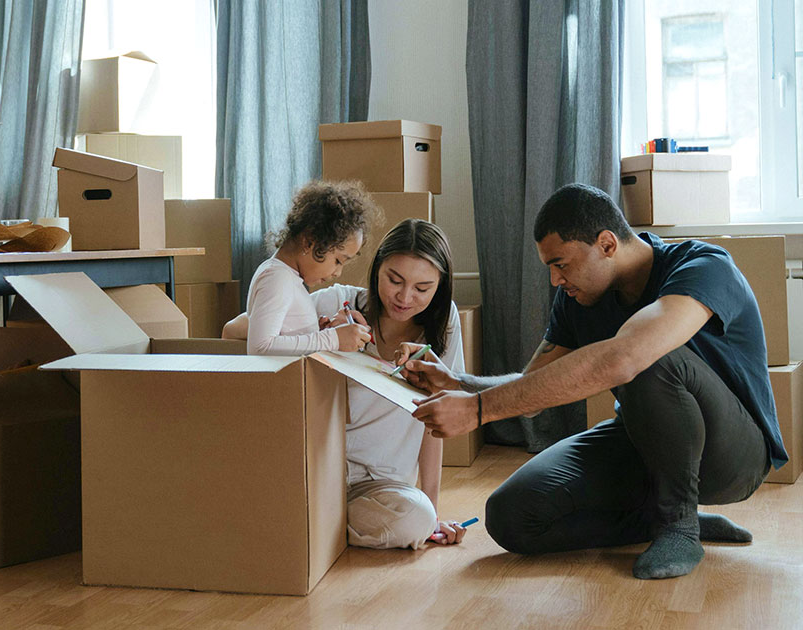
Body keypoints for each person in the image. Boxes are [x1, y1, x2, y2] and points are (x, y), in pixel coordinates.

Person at [403, 183, 786, 579]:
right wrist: (460, 384)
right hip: (644, 442)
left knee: (647, 355)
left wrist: (478, 411)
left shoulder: (703, 266)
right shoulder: (577, 298)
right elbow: (533, 388)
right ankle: (660, 518)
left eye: (561, 264)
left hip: (734, 456)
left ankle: (679, 526)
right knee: (511, 516)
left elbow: (628, 357)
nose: (554, 280)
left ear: (606, 244)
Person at [228, 218, 471, 549]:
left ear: (440, 287)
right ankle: (313, 521)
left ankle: (311, 523)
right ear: (376, 269)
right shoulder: (338, 302)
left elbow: (435, 421)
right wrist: (323, 333)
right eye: (394, 280)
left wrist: (433, 511)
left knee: (417, 519)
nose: (404, 297)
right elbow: (235, 330)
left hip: (380, 486)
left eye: (422, 289)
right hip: (316, 471)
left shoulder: (445, 326)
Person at [243, 180, 376, 355]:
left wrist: (317, 333)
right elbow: (260, 347)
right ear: (309, 241)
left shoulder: (288, 278)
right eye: (338, 261)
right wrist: (332, 338)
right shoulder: (277, 278)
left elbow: (286, 339)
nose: (338, 273)